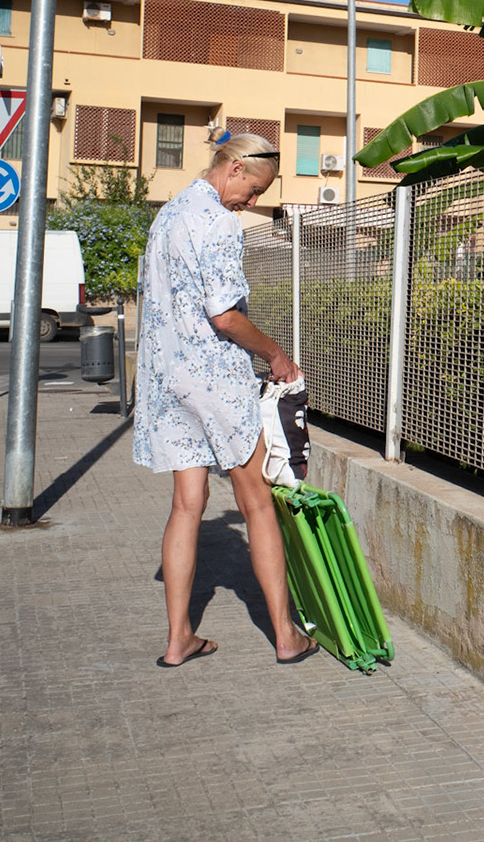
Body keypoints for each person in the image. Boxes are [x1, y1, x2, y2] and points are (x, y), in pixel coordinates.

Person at [133, 130, 317, 667]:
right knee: (256, 501)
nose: (253, 202)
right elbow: (225, 316)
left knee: (186, 506)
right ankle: (285, 635)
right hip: (213, 378)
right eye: (254, 190)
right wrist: (277, 356)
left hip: (166, 380)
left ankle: (178, 640)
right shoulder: (216, 219)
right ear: (234, 169)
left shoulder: (168, 213)